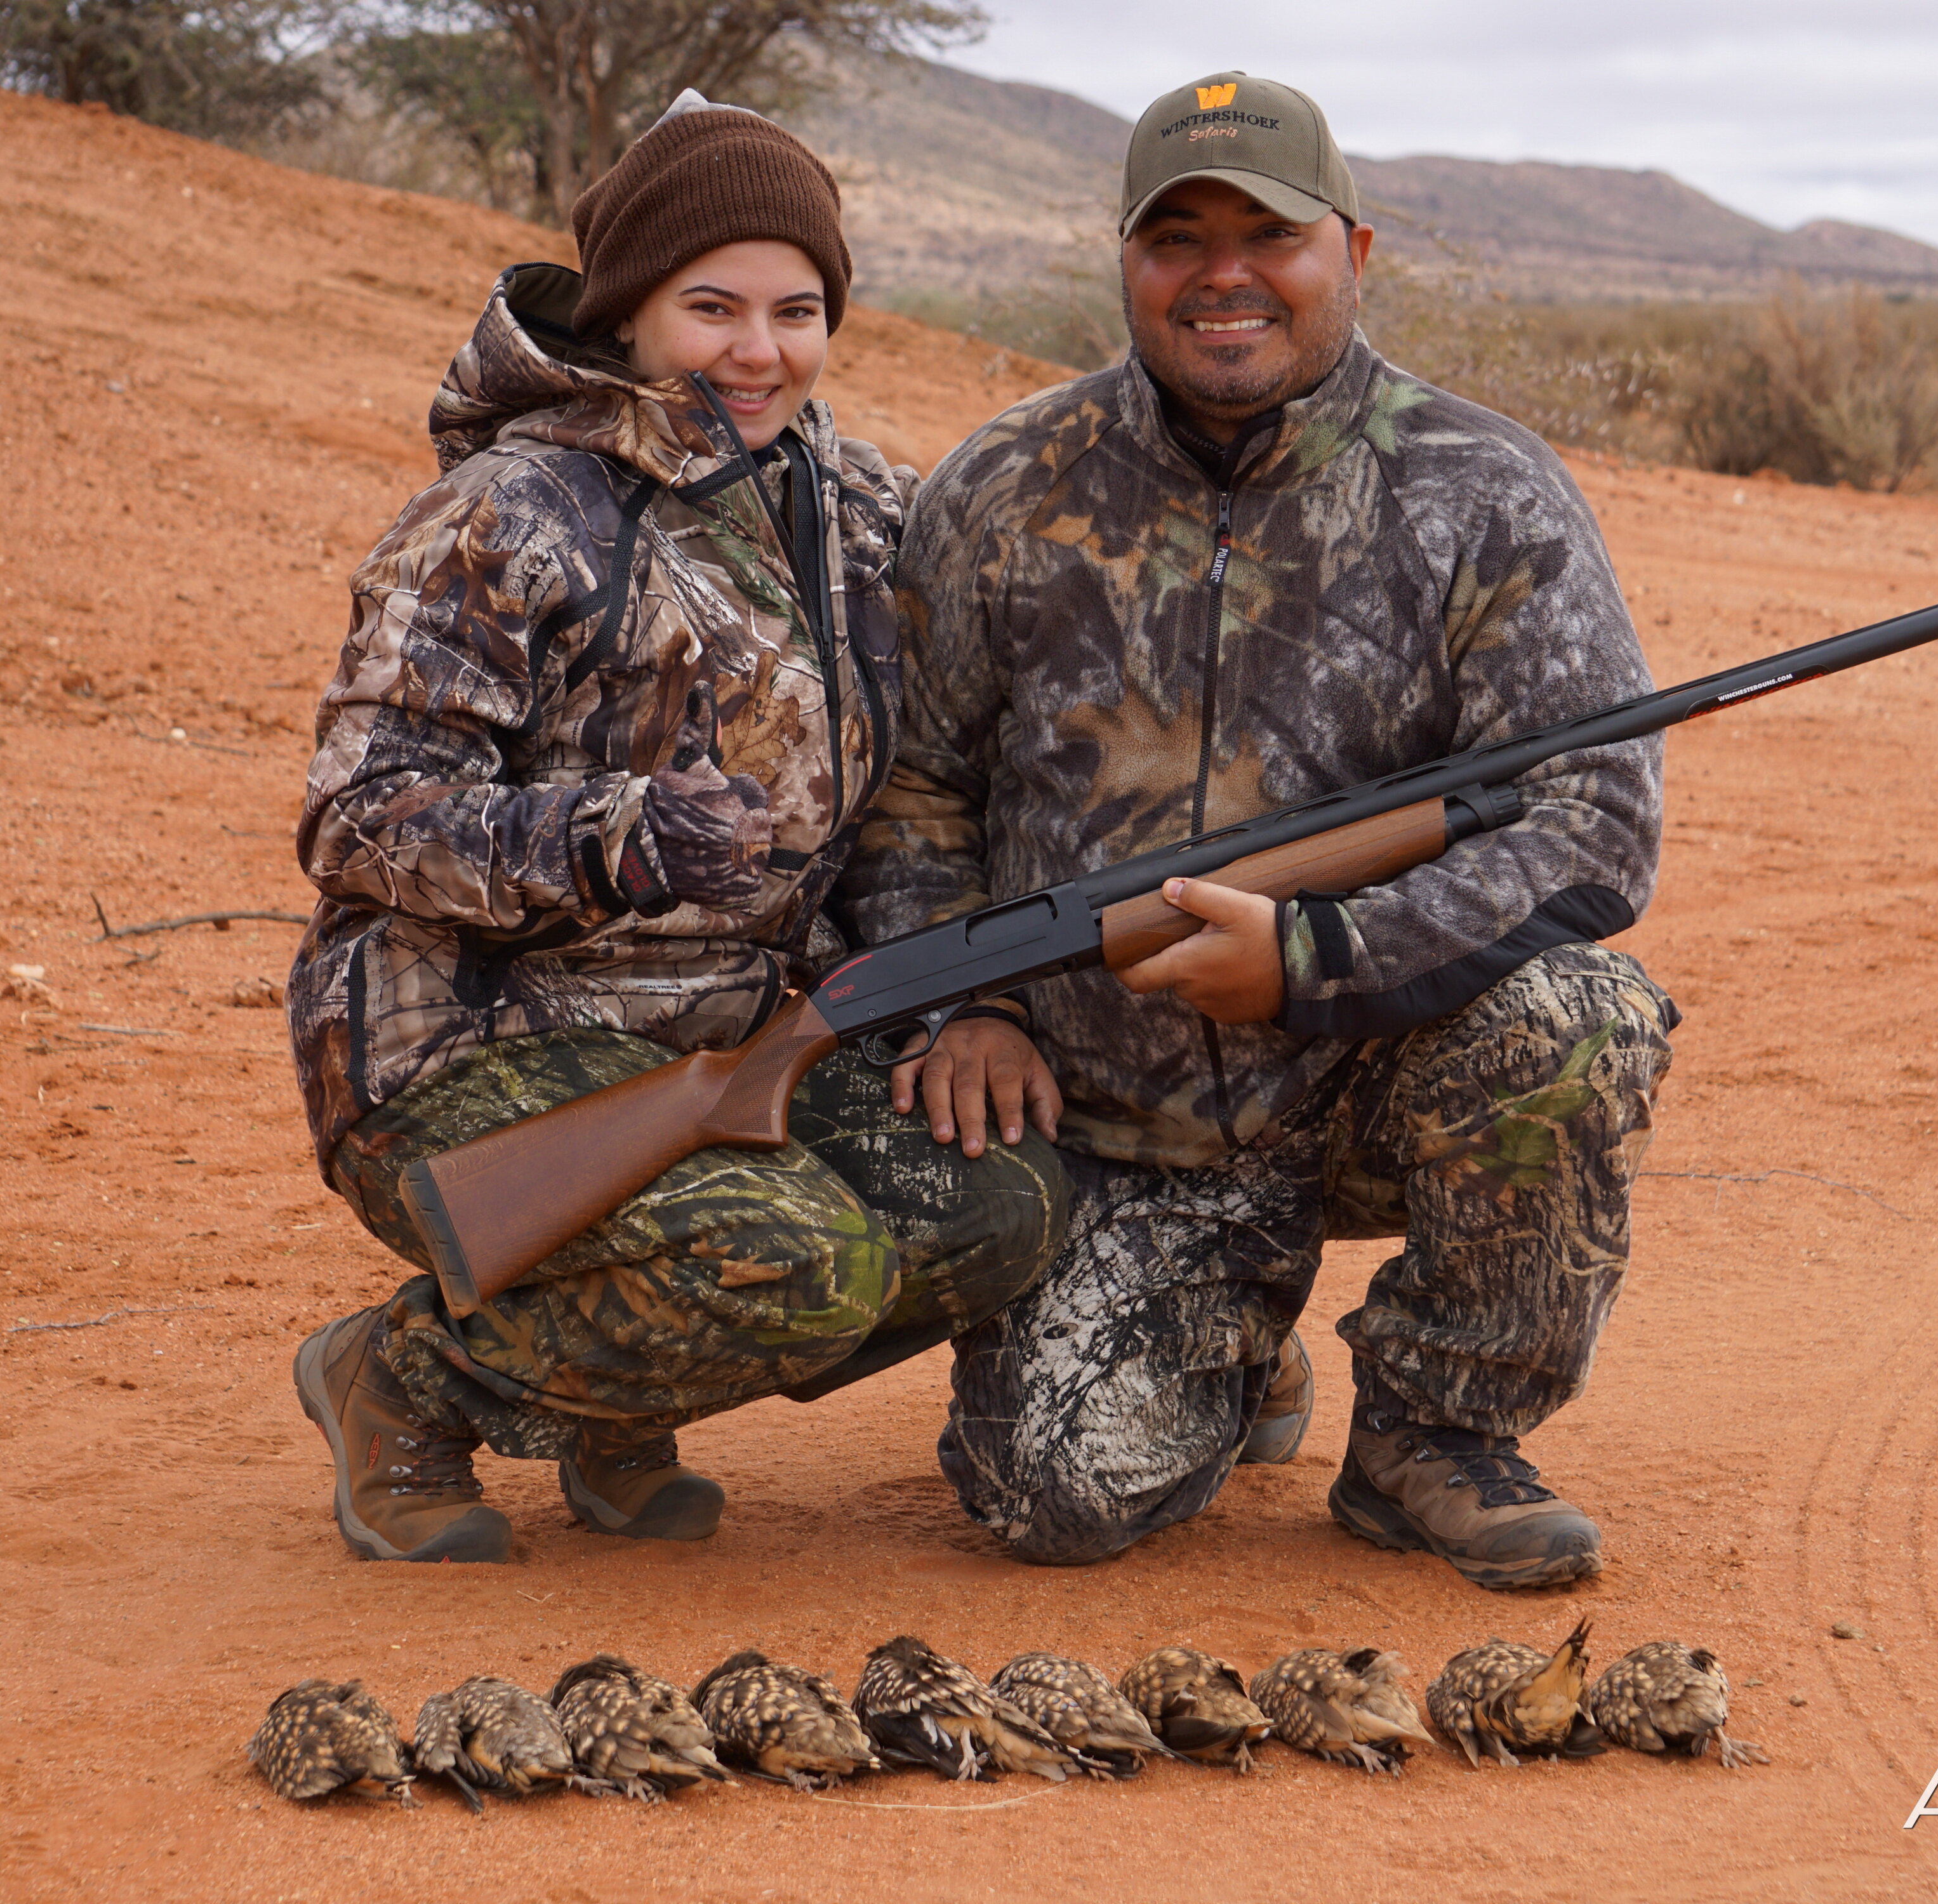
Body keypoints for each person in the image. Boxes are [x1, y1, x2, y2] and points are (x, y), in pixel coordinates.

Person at [842, 72, 1674, 1590]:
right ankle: (1233, 1351)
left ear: (1352, 252)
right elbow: (913, 789)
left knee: (1579, 1021)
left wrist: (1320, 955)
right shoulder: (1002, 485)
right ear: (1126, 262)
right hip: (1104, 1125)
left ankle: (1436, 1428)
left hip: (1366, 1078)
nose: (1223, 273)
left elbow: (1595, 818)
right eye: (1178, 237)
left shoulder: (1483, 492)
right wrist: (960, 997)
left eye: (1268, 233)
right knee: (1055, 1501)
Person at [284, 93, 1066, 1564]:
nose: (757, 351)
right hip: (469, 1040)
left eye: (798, 309)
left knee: (1003, 1206)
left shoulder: (860, 505)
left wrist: (966, 993)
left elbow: (915, 784)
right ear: (631, 308)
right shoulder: (507, 512)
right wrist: (607, 836)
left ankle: (609, 1395)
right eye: (711, 306)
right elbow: (358, 819)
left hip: (721, 1034)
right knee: (796, 1261)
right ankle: (398, 1380)